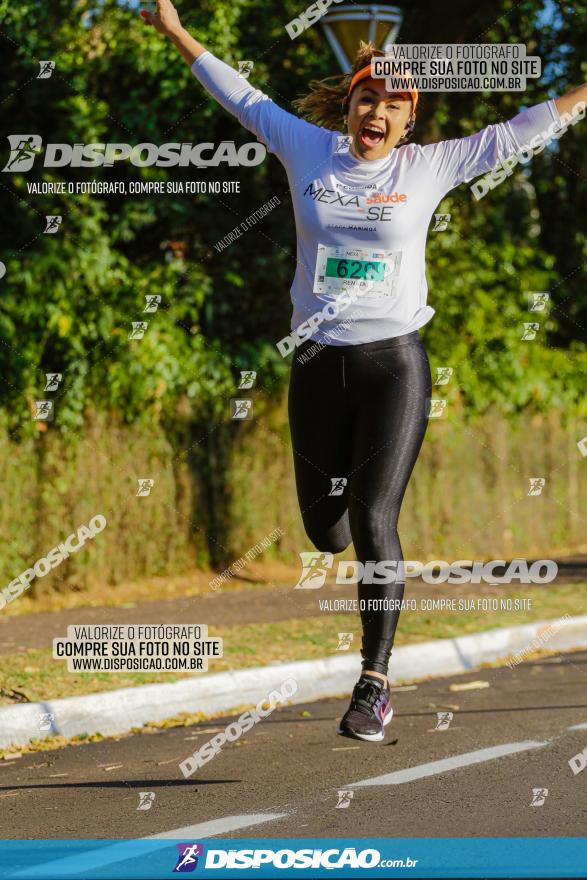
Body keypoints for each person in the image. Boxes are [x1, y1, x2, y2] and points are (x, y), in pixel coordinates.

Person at [140, 1, 586, 742]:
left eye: (393, 105)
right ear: (348, 106)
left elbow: (523, 131)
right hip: (315, 362)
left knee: (377, 519)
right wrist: (175, 30)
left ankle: (374, 681)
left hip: (393, 365)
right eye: (367, 98)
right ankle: (341, 533)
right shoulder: (306, 149)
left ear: (409, 123)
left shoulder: (431, 166)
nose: (377, 112)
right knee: (327, 533)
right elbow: (242, 96)